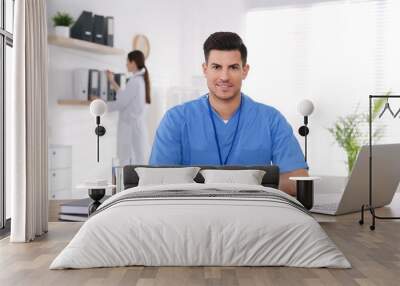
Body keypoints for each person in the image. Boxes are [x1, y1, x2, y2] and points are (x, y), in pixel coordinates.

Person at [149, 32, 308, 196]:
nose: (224, 77)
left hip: (254, 215)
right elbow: (157, 182)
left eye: (233, 67)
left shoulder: (271, 120)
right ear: (205, 69)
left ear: (244, 71)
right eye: (216, 67)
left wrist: (245, 186)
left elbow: (298, 180)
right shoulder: (175, 120)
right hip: (192, 215)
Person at [107, 50, 151, 166]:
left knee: (126, 159)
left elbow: (121, 102)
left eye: (127, 61)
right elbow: (125, 97)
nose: (126, 64)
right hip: (135, 126)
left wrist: (102, 105)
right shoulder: (139, 81)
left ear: (134, 63)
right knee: (137, 158)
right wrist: (112, 81)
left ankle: (125, 183)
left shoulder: (135, 81)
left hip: (129, 127)